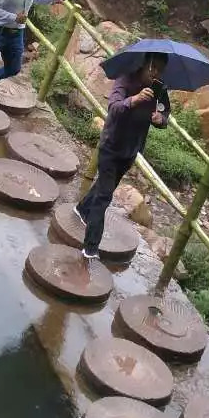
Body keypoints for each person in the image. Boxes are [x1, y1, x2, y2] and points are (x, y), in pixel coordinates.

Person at [76, 53, 170, 263]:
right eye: (153, 68)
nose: (155, 74)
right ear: (145, 64)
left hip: (131, 150)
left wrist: (160, 119)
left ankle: (81, 209)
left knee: (103, 187)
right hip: (111, 146)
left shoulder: (160, 90)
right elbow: (114, 108)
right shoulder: (125, 79)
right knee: (105, 196)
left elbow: (165, 115)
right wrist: (134, 100)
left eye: (160, 70)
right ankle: (90, 248)